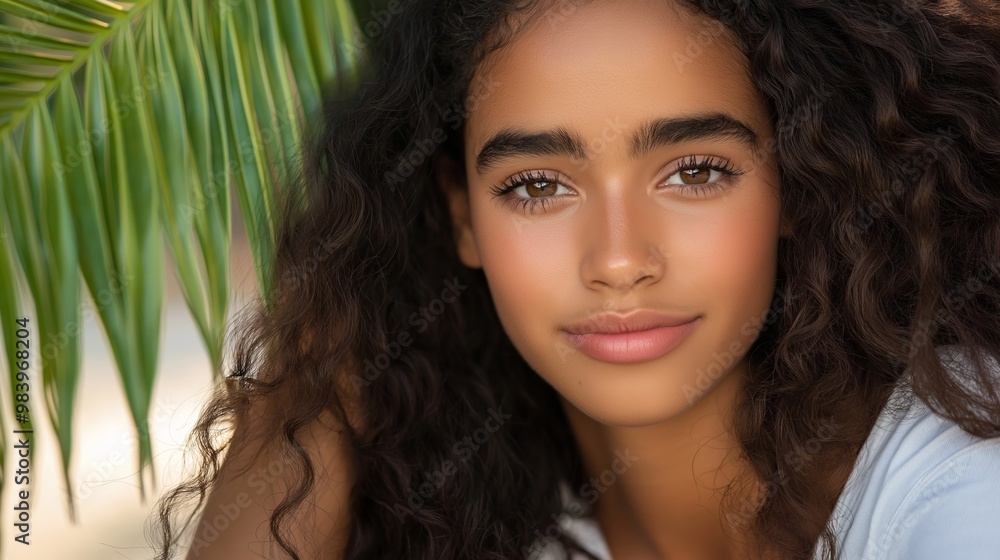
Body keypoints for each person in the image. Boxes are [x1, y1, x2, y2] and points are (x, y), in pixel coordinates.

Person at [151, 0, 1000, 559]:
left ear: (795, 182)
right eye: (536, 185)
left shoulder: (963, 480)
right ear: (461, 217)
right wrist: (323, 371)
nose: (620, 259)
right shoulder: (491, 520)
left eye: (697, 170)